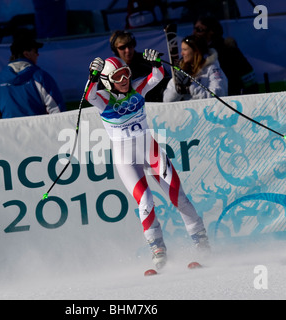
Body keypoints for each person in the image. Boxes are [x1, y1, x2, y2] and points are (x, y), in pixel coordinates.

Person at [86, 50, 210, 269]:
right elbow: (89, 95)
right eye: (117, 77)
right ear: (107, 81)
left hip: (149, 150)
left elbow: (158, 76)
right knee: (145, 201)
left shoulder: (137, 88)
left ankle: (201, 242)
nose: (124, 80)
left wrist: (155, 63)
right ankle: (158, 249)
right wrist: (92, 77)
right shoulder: (103, 99)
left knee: (177, 196)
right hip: (125, 158)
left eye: (125, 73)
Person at [0, 35, 65, 120]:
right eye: (35, 51)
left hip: (8, 132)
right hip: (39, 131)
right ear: (26, 54)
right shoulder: (41, 77)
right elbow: (57, 112)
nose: (38, 54)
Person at [193, 16, 258, 95]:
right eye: (194, 29)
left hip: (231, 98)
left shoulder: (229, 50)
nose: (194, 33)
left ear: (211, 31)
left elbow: (248, 77)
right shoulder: (195, 52)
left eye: (199, 30)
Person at [109, 30, 170, 102]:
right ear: (115, 50)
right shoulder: (110, 68)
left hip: (157, 102)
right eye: (122, 47)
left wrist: (157, 65)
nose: (127, 50)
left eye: (130, 45)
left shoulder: (148, 60)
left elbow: (166, 80)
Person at [163, 34, 227, 102]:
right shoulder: (182, 70)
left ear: (196, 51)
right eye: (182, 49)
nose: (182, 53)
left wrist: (190, 86)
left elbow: (219, 95)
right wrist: (178, 88)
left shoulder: (212, 69)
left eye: (185, 49)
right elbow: (166, 100)